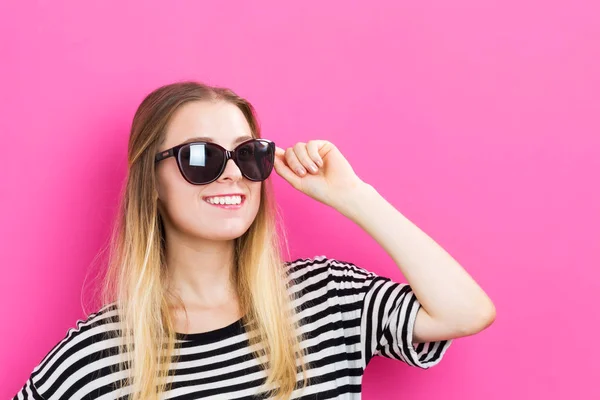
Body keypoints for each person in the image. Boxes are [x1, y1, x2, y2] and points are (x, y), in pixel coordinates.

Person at [12, 81, 496, 400]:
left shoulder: (324, 298)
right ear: (151, 183)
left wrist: (355, 196)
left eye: (248, 155)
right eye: (201, 157)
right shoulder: (99, 356)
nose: (231, 175)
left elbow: (465, 312)